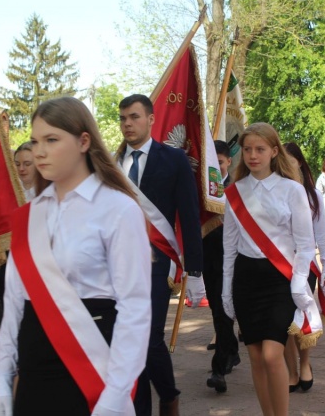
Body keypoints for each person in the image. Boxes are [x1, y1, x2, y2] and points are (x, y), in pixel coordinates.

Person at [0, 97, 152, 416]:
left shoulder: (118, 209)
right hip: (34, 366)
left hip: (92, 363)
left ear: (83, 141)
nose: (39, 151)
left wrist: (115, 396)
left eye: (52, 140)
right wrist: (1, 376)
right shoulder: (28, 216)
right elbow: (14, 303)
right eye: (35, 141)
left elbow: (135, 309)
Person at [116, 94, 204, 416]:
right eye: (123, 118)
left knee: (149, 337)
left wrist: (195, 271)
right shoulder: (111, 163)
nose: (127, 124)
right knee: (129, 338)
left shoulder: (174, 159)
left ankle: (168, 395)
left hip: (158, 261)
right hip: (119, 264)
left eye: (134, 117)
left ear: (151, 119)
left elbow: (189, 215)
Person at [221, 123, 316, 414]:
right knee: (255, 356)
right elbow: (229, 247)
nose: (253, 155)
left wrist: (298, 282)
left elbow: (305, 244)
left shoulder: (292, 190)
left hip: (281, 279)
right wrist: (226, 289)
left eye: (260, 149)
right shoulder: (234, 192)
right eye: (247, 149)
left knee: (273, 354)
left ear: (274, 152)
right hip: (246, 279)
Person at [282, 142, 325, 392]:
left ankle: (305, 363)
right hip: (278, 263)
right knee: (284, 319)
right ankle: (290, 370)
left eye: (289, 161)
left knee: (301, 315)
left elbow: (322, 235)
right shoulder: (273, 192)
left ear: (299, 162)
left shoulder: (313, 196)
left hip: (304, 265)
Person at [0, 142, 36, 326]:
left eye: (27, 164)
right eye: (17, 164)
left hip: (39, 262)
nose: (21, 169)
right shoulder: (9, 194)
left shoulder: (50, 192)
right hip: (11, 258)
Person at [203, 140, 240, 393]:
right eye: (212, 163)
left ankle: (220, 367)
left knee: (223, 311)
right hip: (209, 257)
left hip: (232, 258)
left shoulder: (236, 189)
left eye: (220, 162)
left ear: (228, 161)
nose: (217, 167)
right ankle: (232, 351)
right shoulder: (204, 191)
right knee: (217, 308)